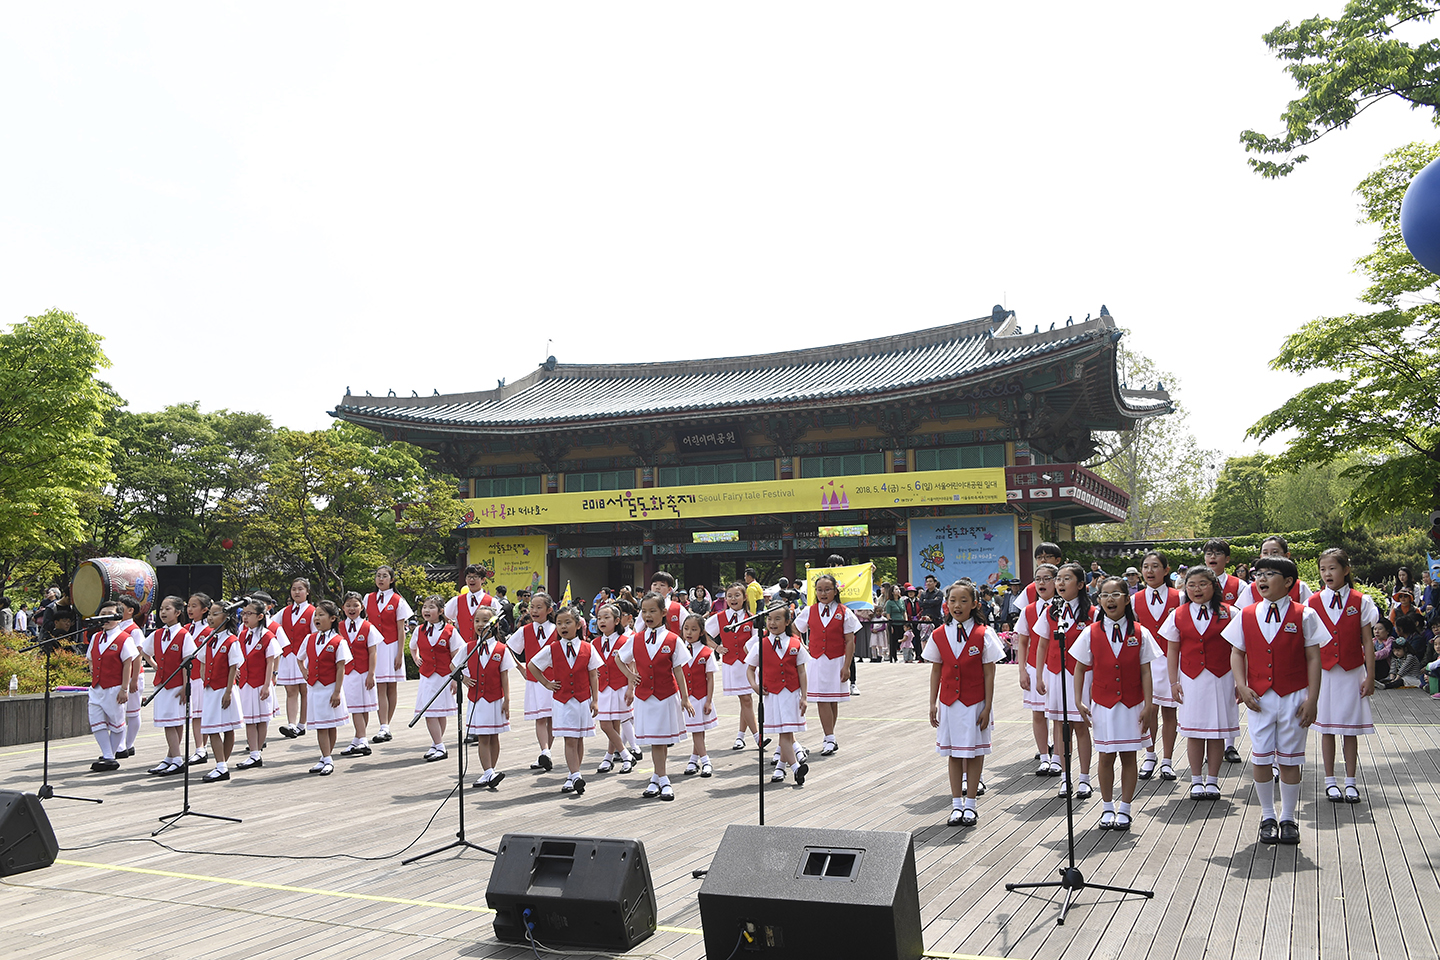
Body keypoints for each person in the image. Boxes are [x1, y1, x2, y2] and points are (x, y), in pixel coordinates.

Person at [1223, 555, 1325, 845]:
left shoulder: (1304, 615)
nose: (1262, 579)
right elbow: (1236, 653)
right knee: (1262, 755)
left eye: (1270, 574)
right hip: (1259, 698)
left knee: (1291, 759)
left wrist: (1312, 699)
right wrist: (1241, 687)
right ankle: (1268, 815)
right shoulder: (1246, 613)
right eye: (1259, 574)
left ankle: (1289, 817)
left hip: (1294, 695)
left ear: (1289, 582)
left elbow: (1313, 657)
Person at [1073, 577, 1161, 832]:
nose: (1109, 599)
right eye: (1104, 595)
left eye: (1115, 594)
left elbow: (1146, 671)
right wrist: (1079, 700)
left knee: (1129, 756)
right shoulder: (1090, 632)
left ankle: (1125, 808)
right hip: (1103, 703)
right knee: (1106, 757)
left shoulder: (1140, 632)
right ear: (1098, 600)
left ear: (1126, 598)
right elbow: (1079, 668)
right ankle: (1107, 806)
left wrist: (1148, 704)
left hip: (1132, 703)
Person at [925, 581, 1003, 827]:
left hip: (975, 702)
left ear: (975, 604)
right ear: (946, 604)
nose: (957, 605)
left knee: (975, 752)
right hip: (949, 702)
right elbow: (936, 671)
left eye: (963, 600)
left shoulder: (984, 633)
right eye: (952, 601)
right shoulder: (939, 634)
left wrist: (988, 706)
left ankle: (971, 804)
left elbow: (989, 673)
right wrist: (932, 704)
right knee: (953, 753)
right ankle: (956, 804)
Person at [1161, 566, 1240, 800]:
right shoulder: (1178, 614)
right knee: (1194, 732)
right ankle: (1196, 780)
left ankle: (1213, 780)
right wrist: (1173, 682)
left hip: (1222, 678)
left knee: (1216, 732)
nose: (1197, 589)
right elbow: (1172, 650)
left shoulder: (1231, 613)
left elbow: (1240, 650)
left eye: (1203, 584)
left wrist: (1239, 681)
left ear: (1214, 586)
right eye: (1191, 584)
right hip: (1191, 679)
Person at [1310, 548, 1378, 804]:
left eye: (1333, 568)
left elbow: (1368, 642)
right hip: (1324, 673)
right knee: (1326, 727)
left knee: (1350, 729)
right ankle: (1330, 781)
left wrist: (1370, 676)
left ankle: (1350, 781)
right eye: (1323, 569)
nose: (1327, 573)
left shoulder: (1361, 601)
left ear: (1346, 570)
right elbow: (1309, 645)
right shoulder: (1313, 603)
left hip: (1351, 671)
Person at [615, 592, 694, 800]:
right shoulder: (636, 639)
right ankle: (660, 778)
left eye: (653, 611)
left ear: (664, 612)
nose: (648, 615)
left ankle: (660, 778)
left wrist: (685, 698)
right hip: (644, 697)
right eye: (644, 611)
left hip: (666, 695)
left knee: (660, 740)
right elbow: (619, 659)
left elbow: (678, 670)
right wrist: (631, 677)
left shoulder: (673, 639)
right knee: (655, 740)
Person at [1033, 562, 1095, 799]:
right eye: (1058, 579)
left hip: (1081, 675)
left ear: (1080, 585)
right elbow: (1042, 643)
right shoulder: (1051, 611)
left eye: (1066, 579)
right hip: (1056, 673)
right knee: (1060, 724)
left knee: (1080, 725)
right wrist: (1039, 675)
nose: (1059, 583)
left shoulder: (1091, 613)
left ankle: (1085, 779)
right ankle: (1065, 778)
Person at [526, 605, 602, 796]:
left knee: (579, 739)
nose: (563, 626)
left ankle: (573, 774)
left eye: (568, 622)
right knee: (569, 738)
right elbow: (532, 665)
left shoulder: (588, 648)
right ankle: (575, 775)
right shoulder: (552, 648)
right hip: (562, 700)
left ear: (578, 625)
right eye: (559, 623)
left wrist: (595, 700)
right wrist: (546, 683)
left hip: (583, 700)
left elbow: (594, 675)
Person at [794, 574, 858, 757]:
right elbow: (795, 628)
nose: (823, 593)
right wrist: (803, 646)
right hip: (817, 660)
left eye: (827, 589)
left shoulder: (844, 612)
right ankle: (829, 737)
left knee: (832, 700)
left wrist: (847, 666)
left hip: (836, 660)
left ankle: (830, 737)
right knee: (822, 699)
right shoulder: (809, 610)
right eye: (819, 590)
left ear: (835, 591)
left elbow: (850, 641)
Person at [746, 604, 809, 786]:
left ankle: (783, 767)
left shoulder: (796, 644)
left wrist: (804, 697)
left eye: (777, 619)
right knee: (784, 733)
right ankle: (795, 767)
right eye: (769, 619)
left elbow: (802, 672)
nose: (772, 623)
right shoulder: (760, 644)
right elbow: (750, 669)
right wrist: (755, 686)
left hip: (791, 695)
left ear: (787, 621)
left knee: (786, 733)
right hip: (772, 695)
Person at [1132, 551, 1180, 783]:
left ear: (1166, 570)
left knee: (1170, 712)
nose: (1149, 571)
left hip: (1171, 660)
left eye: (1155, 566)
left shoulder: (1179, 596)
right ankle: (1150, 755)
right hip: (1146, 662)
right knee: (1149, 711)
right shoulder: (1134, 599)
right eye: (1146, 567)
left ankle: (1168, 761)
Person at [1201, 539, 1247, 763]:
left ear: (1227, 559)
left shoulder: (1238, 585)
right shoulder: (1194, 583)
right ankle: (1205, 741)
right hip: (1204, 649)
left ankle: (1229, 744)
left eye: (1218, 553)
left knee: (1230, 697)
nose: (1213, 557)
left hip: (1231, 648)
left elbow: (1246, 615)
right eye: (1209, 553)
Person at [461, 600, 514, 790]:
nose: (481, 624)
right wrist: (465, 679)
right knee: (483, 736)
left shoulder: (501, 649)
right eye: (477, 620)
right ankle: (488, 772)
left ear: (495, 623)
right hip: (477, 700)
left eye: (485, 620)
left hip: (495, 699)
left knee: (494, 736)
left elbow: (505, 676)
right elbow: (454, 666)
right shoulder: (468, 648)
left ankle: (490, 771)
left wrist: (507, 700)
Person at [142, 596, 196, 776]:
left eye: (167, 609)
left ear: (178, 612)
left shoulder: (183, 635)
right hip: (162, 684)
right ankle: (172, 757)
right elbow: (143, 651)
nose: (163, 612)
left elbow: (187, 661)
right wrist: (156, 666)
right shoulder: (157, 634)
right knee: (170, 722)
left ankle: (177, 759)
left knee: (174, 722)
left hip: (176, 685)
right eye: (162, 609)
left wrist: (185, 685)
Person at [1014, 563, 1060, 776]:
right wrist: (1022, 670)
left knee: (1060, 715)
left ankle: (1058, 757)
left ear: (1056, 581)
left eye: (1047, 578)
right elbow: (1022, 642)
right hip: (1034, 666)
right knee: (1038, 713)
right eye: (1038, 579)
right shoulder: (1028, 610)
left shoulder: (1064, 609)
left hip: (1059, 668)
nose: (1041, 583)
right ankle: (1044, 757)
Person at [84, 600, 141, 772]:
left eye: (110, 614)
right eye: (103, 614)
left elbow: (128, 663)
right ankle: (108, 755)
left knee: (117, 722)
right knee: (96, 721)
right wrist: (93, 671)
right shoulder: (96, 637)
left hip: (114, 686)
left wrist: (125, 688)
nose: (106, 618)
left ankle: (111, 755)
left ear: (119, 617)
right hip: (97, 687)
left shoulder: (125, 638)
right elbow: (90, 658)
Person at [706, 582, 761, 750]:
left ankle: (741, 736)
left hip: (747, 665)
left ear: (745, 597)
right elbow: (703, 633)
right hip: (731, 664)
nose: (733, 599)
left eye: (737, 595)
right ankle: (757, 736)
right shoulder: (720, 617)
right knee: (745, 699)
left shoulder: (751, 617)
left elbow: (756, 641)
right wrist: (716, 647)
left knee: (746, 699)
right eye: (729, 596)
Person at [507, 591, 558, 771]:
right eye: (532, 607)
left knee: (551, 718)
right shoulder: (524, 630)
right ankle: (545, 752)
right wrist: (521, 668)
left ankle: (546, 753)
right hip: (535, 682)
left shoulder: (557, 628)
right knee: (540, 718)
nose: (534, 611)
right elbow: (508, 649)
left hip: (554, 681)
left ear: (549, 609)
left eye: (539, 607)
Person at [410, 595, 464, 762]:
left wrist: (456, 677)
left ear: (441, 611)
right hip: (427, 676)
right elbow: (412, 647)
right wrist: (416, 658)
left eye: (431, 607)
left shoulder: (450, 631)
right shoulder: (419, 630)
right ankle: (438, 744)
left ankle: (438, 744)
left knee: (440, 712)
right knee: (430, 712)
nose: (426, 610)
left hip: (444, 676)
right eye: (425, 607)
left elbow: (457, 654)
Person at [299, 599, 351, 776]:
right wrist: (304, 671)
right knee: (321, 725)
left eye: (321, 615)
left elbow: (340, 667)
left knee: (330, 724)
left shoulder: (338, 641)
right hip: (315, 688)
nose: (317, 618)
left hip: (330, 688)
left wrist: (337, 691)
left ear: (333, 618)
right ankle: (326, 757)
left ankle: (327, 757)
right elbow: (299, 658)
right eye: (315, 615)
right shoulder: (309, 638)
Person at [366, 566, 413, 745]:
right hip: (375, 647)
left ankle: (386, 725)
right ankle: (383, 725)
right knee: (380, 686)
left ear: (392, 580)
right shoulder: (368, 598)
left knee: (391, 686)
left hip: (391, 645)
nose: (381, 579)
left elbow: (401, 629)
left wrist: (400, 653)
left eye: (385, 576)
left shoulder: (397, 600)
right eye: (378, 576)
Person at [199, 600, 244, 782]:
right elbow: (202, 658)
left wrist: (228, 691)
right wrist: (203, 674)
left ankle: (221, 765)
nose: (210, 617)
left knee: (226, 727)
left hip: (224, 688)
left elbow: (234, 666)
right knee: (212, 727)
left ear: (226, 617)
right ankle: (221, 764)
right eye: (209, 614)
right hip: (211, 688)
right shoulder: (209, 638)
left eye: (215, 614)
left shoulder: (231, 640)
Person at [234, 600, 281, 770]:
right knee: (250, 719)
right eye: (243, 614)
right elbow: (239, 656)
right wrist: (238, 669)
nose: (244, 617)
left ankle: (257, 752)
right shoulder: (242, 635)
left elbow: (271, 662)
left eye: (249, 614)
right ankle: (254, 752)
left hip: (261, 682)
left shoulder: (268, 636)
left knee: (262, 719)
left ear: (260, 616)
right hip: (246, 682)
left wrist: (268, 684)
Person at [592, 602, 635, 775]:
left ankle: (612, 756)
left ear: (617, 620)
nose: (602, 621)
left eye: (606, 617)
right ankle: (623, 755)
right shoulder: (594, 643)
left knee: (612, 724)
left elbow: (632, 667)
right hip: (603, 689)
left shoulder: (626, 641)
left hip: (620, 687)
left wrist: (631, 688)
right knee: (606, 724)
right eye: (599, 618)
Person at [337, 591, 379, 758]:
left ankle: (361, 739)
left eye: (355, 605)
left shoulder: (368, 627)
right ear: (343, 608)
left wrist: (371, 673)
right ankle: (359, 739)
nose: (352, 608)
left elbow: (372, 652)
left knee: (363, 707)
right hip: (347, 674)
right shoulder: (339, 627)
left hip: (363, 673)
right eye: (348, 605)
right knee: (355, 707)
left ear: (362, 607)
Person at [275, 578, 316, 740]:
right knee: (290, 691)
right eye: (294, 589)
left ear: (307, 592)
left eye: (300, 589)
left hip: (303, 657)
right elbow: (272, 626)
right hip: (287, 656)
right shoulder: (284, 611)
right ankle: (291, 724)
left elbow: (314, 634)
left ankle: (302, 724)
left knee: (304, 690)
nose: (297, 592)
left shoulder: (312, 611)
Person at [681, 613, 719, 777]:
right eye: (686, 629)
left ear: (702, 632)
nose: (689, 633)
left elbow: (710, 678)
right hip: (686, 698)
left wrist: (709, 701)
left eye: (694, 629)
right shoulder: (678, 649)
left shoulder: (707, 652)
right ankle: (694, 759)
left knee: (697, 731)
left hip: (701, 697)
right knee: (697, 731)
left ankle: (705, 761)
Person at [1233, 536, 1314, 608]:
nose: (1269, 556)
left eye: (1275, 552)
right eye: (1265, 553)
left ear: (1287, 556)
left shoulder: (1300, 587)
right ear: (1260, 557)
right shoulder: (1251, 589)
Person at [183, 593, 215, 768]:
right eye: (188, 605)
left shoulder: (210, 631)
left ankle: (201, 748)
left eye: (194, 606)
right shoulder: (185, 629)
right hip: (189, 678)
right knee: (194, 714)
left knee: (201, 714)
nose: (189, 609)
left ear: (204, 610)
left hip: (202, 678)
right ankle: (199, 748)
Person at [885, 584, 908, 663]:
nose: (898, 591)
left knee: (904, 639)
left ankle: (907, 656)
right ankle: (893, 657)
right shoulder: (889, 602)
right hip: (894, 623)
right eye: (896, 589)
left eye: (898, 589)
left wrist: (906, 621)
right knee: (893, 641)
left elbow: (904, 611)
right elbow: (888, 614)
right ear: (892, 592)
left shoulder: (901, 600)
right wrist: (890, 624)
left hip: (901, 622)